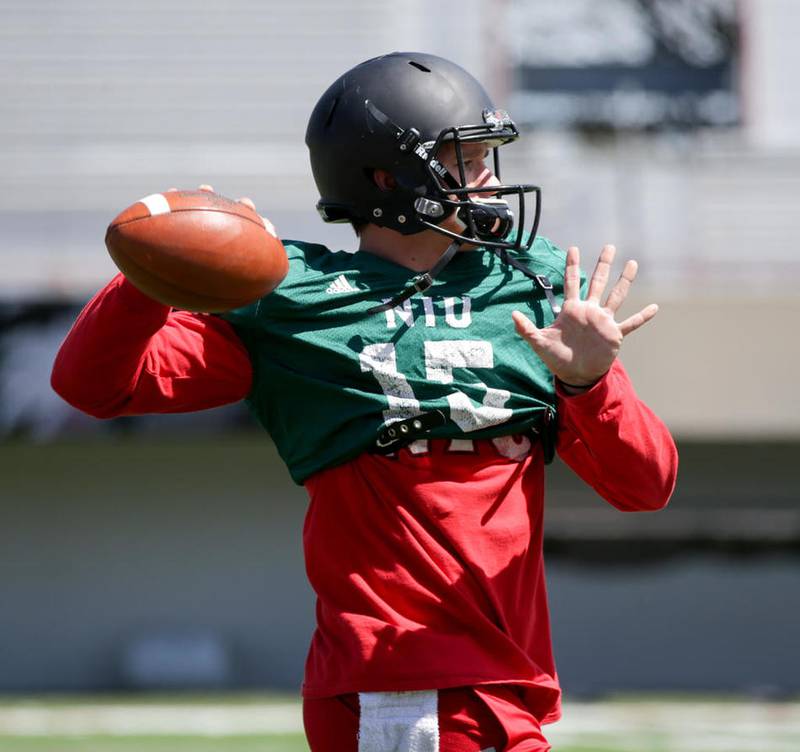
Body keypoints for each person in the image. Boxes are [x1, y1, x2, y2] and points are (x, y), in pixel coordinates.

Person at [52, 52, 678, 752]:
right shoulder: (291, 298)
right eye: (466, 160)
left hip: (501, 677)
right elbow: (94, 385)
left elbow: (646, 487)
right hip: (402, 682)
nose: (492, 181)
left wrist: (588, 385)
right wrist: (160, 270)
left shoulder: (527, 287)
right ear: (390, 179)